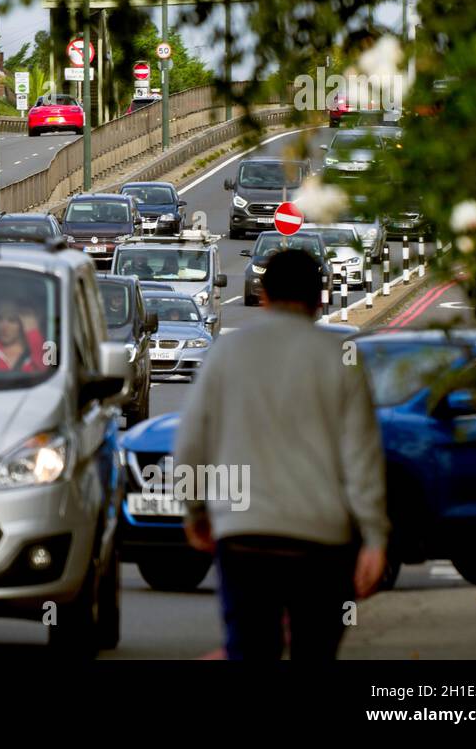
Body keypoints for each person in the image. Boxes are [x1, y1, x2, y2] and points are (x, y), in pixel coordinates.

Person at [173, 248, 388, 660]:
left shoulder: (227, 354)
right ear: (321, 298)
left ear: (263, 294)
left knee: (251, 650)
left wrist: (194, 511)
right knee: (314, 652)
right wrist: (375, 539)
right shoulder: (341, 360)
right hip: (321, 542)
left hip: (244, 536)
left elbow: (190, 445)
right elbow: (363, 459)